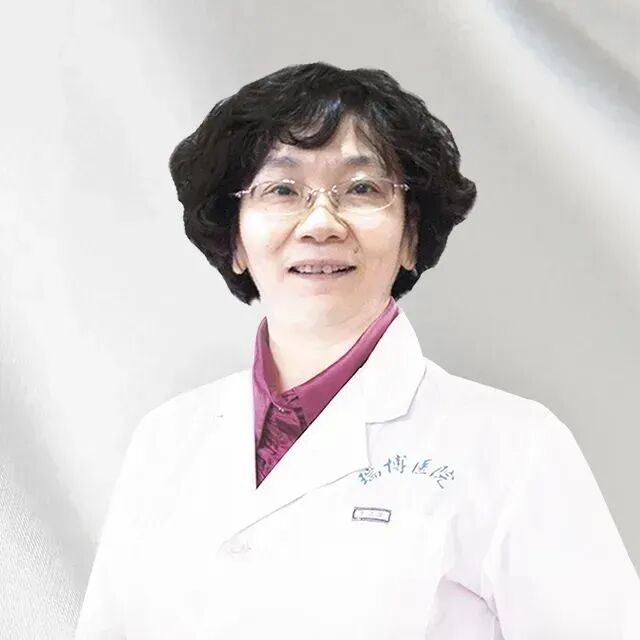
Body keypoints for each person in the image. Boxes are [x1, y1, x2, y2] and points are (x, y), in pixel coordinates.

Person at [75, 62, 640, 639]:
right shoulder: (166, 439)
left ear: (411, 236)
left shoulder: (515, 450)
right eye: (282, 189)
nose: (321, 223)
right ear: (234, 240)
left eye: (362, 188)